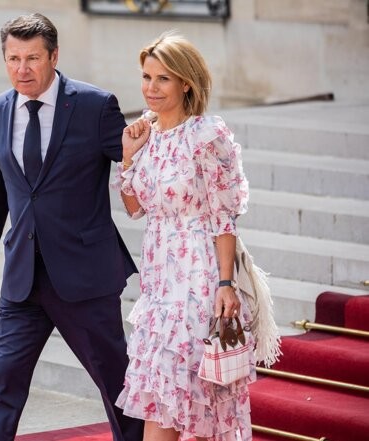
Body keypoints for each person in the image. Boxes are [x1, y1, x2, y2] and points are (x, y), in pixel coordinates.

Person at [0, 13, 144, 441]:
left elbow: (136, 171)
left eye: (32, 58)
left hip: (85, 276)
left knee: (116, 383)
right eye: (13, 59)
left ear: (54, 56)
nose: (21, 69)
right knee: (2, 382)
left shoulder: (96, 106)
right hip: (23, 278)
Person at [113, 32, 255, 441]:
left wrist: (225, 283)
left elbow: (223, 217)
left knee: (197, 399)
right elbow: (136, 207)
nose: (151, 88)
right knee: (161, 394)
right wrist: (128, 154)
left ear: (186, 83)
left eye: (163, 79)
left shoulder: (206, 136)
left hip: (198, 276)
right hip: (158, 279)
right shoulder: (147, 131)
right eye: (146, 77)